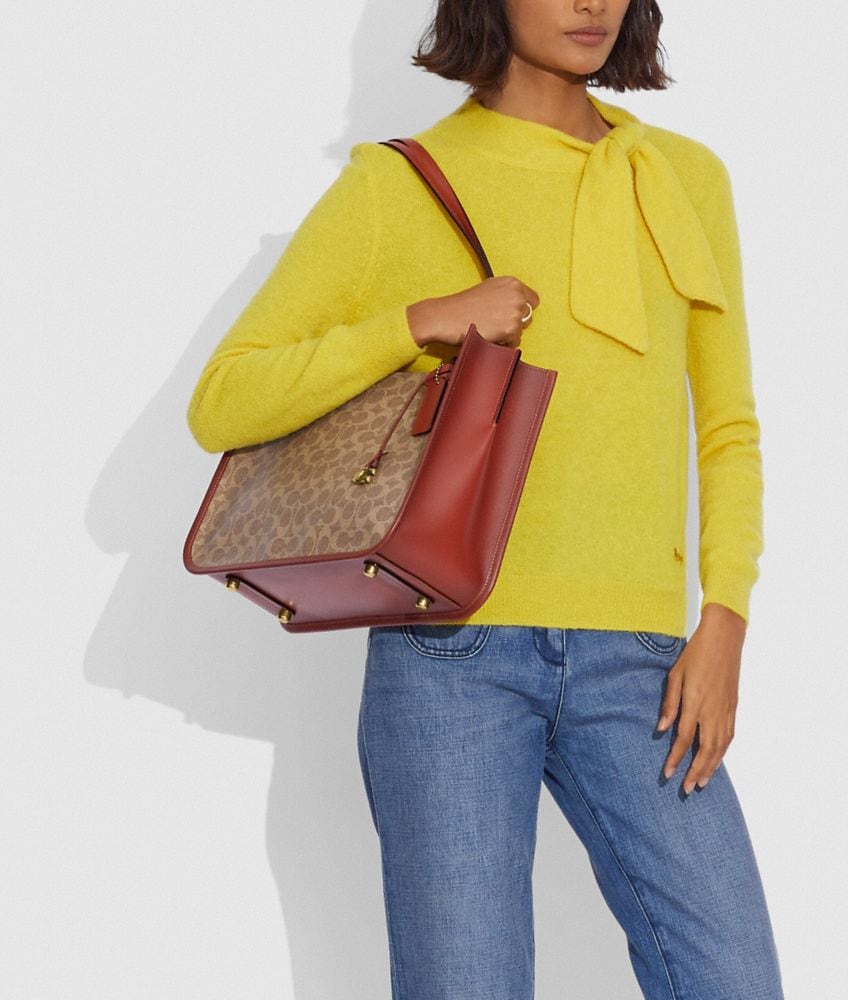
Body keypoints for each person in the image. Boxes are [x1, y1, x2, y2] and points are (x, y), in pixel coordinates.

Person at [186, 0, 785, 996]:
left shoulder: (682, 177)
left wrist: (724, 619)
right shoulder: (400, 184)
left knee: (734, 976)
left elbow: (727, 425)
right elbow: (225, 399)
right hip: (450, 658)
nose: (592, 4)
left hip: (642, 662)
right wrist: (419, 322)